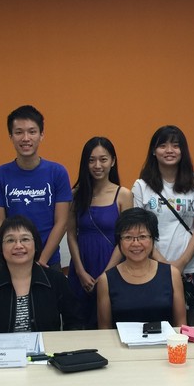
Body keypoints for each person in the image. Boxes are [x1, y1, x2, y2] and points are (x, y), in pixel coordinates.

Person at [132, 125, 194, 312]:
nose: (169, 151)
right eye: (163, 146)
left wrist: (181, 262)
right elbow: (139, 230)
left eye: (176, 146)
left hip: (189, 266)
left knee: (189, 327)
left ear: (183, 151)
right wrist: (162, 262)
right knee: (156, 320)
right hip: (152, 266)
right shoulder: (141, 185)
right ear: (153, 151)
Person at [0, 105, 72, 268]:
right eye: (19, 132)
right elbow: (0, 225)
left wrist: (42, 260)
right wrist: (19, 256)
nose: (26, 138)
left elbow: (62, 222)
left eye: (32, 132)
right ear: (10, 136)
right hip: (13, 261)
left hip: (48, 262)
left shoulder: (58, 172)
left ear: (41, 135)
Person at [0, 216, 82, 333]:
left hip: (46, 350)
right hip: (1, 350)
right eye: (10, 240)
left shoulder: (56, 280)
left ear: (36, 245)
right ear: (1, 248)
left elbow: (75, 322)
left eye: (25, 239)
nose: (18, 246)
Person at [67, 137, 132, 328]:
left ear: (112, 161)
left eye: (103, 159)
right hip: (82, 266)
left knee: (109, 323)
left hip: (113, 267)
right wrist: (80, 271)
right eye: (91, 160)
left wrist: (106, 273)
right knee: (79, 322)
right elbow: (71, 234)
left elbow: (126, 238)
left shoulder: (124, 195)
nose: (97, 165)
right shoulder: (75, 195)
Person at [96, 208, 187, 329]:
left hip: (163, 345)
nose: (136, 244)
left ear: (153, 239)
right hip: (121, 346)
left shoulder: (171, 274)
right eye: (128, 237)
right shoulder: (106, 280)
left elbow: (181, 324)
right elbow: (104, 329)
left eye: (142, 236)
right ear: (119, 242)